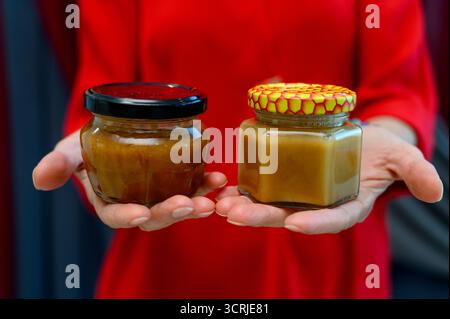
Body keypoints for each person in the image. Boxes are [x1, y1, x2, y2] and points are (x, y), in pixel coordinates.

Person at [32, 0, 443, 298]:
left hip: (330, 246)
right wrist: (100, 172)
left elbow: (398, 91)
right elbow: (108, 97)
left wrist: (385, 137)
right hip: (170, 246)